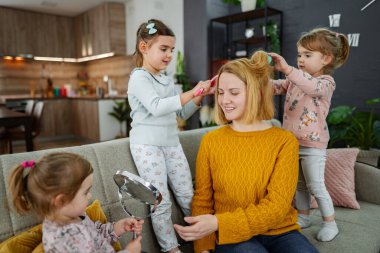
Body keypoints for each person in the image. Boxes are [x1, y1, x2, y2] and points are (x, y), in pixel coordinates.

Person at [174, 50, 318, 253]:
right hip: (230, 236)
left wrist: (218, 223)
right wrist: (203, 247)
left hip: (280, 231)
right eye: (221, 93)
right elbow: (203, 199)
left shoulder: (284, 141)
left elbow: (277, 207)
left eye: (234, 92)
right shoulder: (211, 141)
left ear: (256, 93)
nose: (224, 101)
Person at [127, 19, 211, 253]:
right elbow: (156, 106)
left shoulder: (167, 79)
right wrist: (191, 91)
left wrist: (197, 98)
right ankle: (170, 249)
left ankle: (202, 241)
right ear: (144, 47)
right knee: (160, 201)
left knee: (187, 195)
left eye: (171, 50)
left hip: (170, 142)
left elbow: (181, 112)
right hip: (147, 146)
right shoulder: (139, 77)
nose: (169, 55)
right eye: (163, 49)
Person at [269, 27, 350, 242]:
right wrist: (253, 83)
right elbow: (276, 86)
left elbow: (310, 86)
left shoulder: (325, 83)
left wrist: (287, 69)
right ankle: (303, 217)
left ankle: (330, 222)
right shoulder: (296, 78)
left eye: (307, 55)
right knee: (300, 185)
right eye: (299, 54)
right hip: (292, 144)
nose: (301, 59)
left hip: (313, 145)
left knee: (316, 185)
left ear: (326, 58)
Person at [8, 152, 143, 253]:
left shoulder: (77, 216)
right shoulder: (64, 238)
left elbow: (96, 237)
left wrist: (119, 227)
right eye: (85, 192)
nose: (89, 196)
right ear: (61, 201)